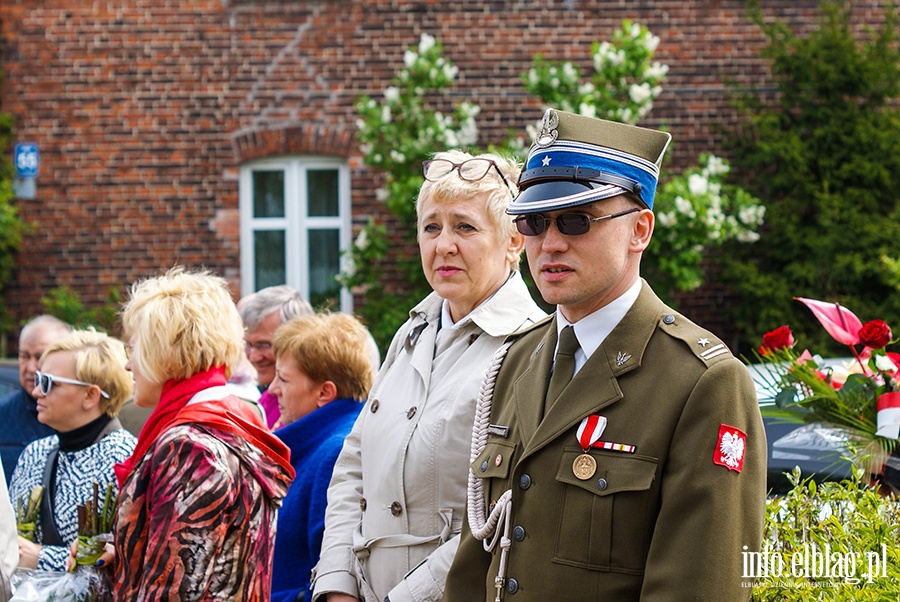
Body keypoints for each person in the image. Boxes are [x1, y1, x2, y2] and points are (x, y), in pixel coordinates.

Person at [443, 109, 767, 601]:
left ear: (640, 229)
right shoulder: (514, 361)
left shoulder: (702, 382)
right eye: (532, 222)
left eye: (577, 220)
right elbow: (476, 564)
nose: (549, 243)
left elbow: (701, 587)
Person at [312, 149, 546, 602]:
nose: (443, 245)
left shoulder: (531, 347)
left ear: (514, 241)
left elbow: (501, 513)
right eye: (431, 227)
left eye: (465, 226)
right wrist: (337, 585)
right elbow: (353, 468)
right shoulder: (412, 333)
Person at [109, 266, 294, 600]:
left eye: (132, 349)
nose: (127, 365)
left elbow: (175, 588)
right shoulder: (233, 417)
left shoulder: (190, 446)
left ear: (164, 355)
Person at [9, 330, 136, 572]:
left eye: (48, 383)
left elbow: (128, 564)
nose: (36, 391)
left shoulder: (127, 459)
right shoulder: (35, 453)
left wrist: (41, 558)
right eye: (38, 380)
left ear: (90, 395)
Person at [269, 312, 374, 602]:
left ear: (324, 392)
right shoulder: (315, 447)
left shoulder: (335, 454)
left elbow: (331, 580)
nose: (272, 389)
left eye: (284, 379)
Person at [0, 315, 72, 484]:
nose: (31, 367)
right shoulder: (3, 414)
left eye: (40, 356)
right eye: (24, 356)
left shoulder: (78, 416)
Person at [239, 285, 315, 428]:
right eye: (249, 344)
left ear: (298, 341)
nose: (253, 357)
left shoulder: (304, 406)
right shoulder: (269, 398)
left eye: (263, 345)